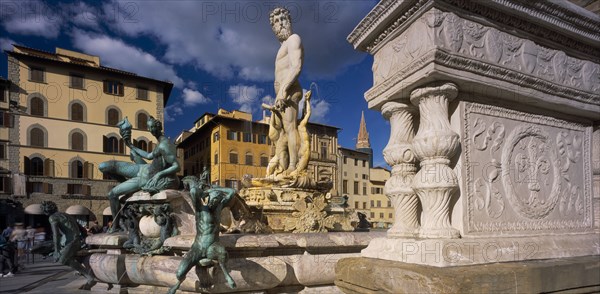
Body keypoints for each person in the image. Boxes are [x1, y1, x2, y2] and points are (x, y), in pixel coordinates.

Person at [100, 116, 180, 232]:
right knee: (103, 166)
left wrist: (159, 175)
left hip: (145, 178)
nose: (150, 130)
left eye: (152, 127)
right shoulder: (160, 143)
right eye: (148, 127)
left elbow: (177, 166)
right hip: (143, 168)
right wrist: (130, 145)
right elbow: (148, 156)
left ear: (158, 127)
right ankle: (125, 184)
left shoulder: (164, 145)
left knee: (112, 194)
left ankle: (115, 226)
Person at [168, 180, 237, 294]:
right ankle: (178, 283)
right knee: (179, 273)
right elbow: (194, 191)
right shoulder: (201, 209)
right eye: (212, 199)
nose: (213, 202)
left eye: (216, 200)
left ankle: (226, 275)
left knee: (222, 253)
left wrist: (217, 190)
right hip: (198, 247)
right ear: (208, 198)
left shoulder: (219, 207)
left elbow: (232, 192)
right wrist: (208, 191)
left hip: (213, 245)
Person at [270, 7, 304, 174]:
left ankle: (293, 167)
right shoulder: (282, 46)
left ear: (289, 21)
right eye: (277, 21)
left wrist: (283, 89)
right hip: (281, 94)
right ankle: (283, 166)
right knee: (278, 132)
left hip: (289, 90)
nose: (281, 23)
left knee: (290, 128)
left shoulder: (293, 39)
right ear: (273, 28)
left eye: (283, 19)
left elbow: (296, 66)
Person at [42, 201, 97, 290]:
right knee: (70, 258)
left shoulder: (52, 218)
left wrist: (57, 250)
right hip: (77, 241)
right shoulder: (66, 214)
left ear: (45, 211)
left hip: (72, 242)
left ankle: (89, 276)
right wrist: (85, 239)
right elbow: (82, 228)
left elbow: (56, 235)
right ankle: (85, 273)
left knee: (62, 259)